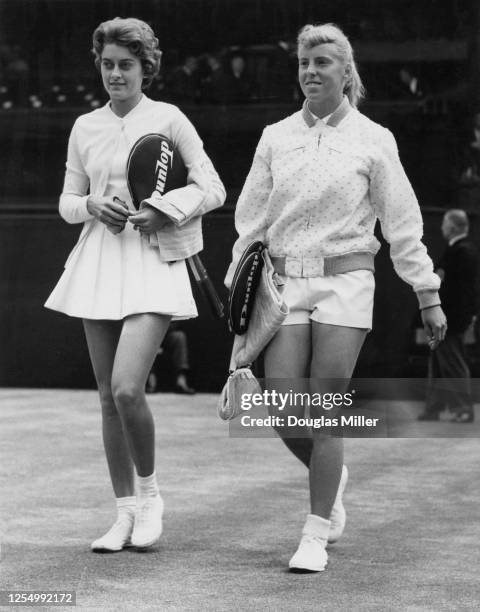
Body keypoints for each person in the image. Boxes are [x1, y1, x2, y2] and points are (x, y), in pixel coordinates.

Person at [224, 23, 446, 573]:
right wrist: (238, 290)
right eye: (304, 62)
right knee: (279, 408)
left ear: (347, 72)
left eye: (323, 61)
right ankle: (333, 473)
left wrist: (427, 291)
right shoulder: (275, 136)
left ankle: (316, 534)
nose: (311, 71)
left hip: (346, 283)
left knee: (325, 411)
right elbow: (250, 222)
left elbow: (402, 222)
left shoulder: (375, 139)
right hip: (282, 287)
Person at [45, 17, 225, 552]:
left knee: (127, 387)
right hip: (98, 261)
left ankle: (150, 498)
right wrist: (92, 206)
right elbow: (66, 202)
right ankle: (123, 514)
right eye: (107, 65)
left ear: (146, 67)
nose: (116, 74)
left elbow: (211, 186)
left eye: (126, 65)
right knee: (106, 397)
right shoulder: (84, 126)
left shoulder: (169, 118)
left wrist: (164, 210)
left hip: (153, 260)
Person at [420, 210, 478, 422]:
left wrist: (462, 318)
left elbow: (464, 292)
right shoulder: (456, 250)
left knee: (452, 363)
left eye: (445, 223)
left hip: (451, 319)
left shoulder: (463, 252)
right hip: (446, 318)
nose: (442, 227)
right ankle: (434, 408)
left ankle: (464, 409)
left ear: (453, 227)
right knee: (437, 364)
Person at [146, 322, 195, 394]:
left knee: (179, 336)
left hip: (167, 335)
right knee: (147, 338)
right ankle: (151, 382)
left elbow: (175, 324)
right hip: (149, 337)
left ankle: (181, 381)